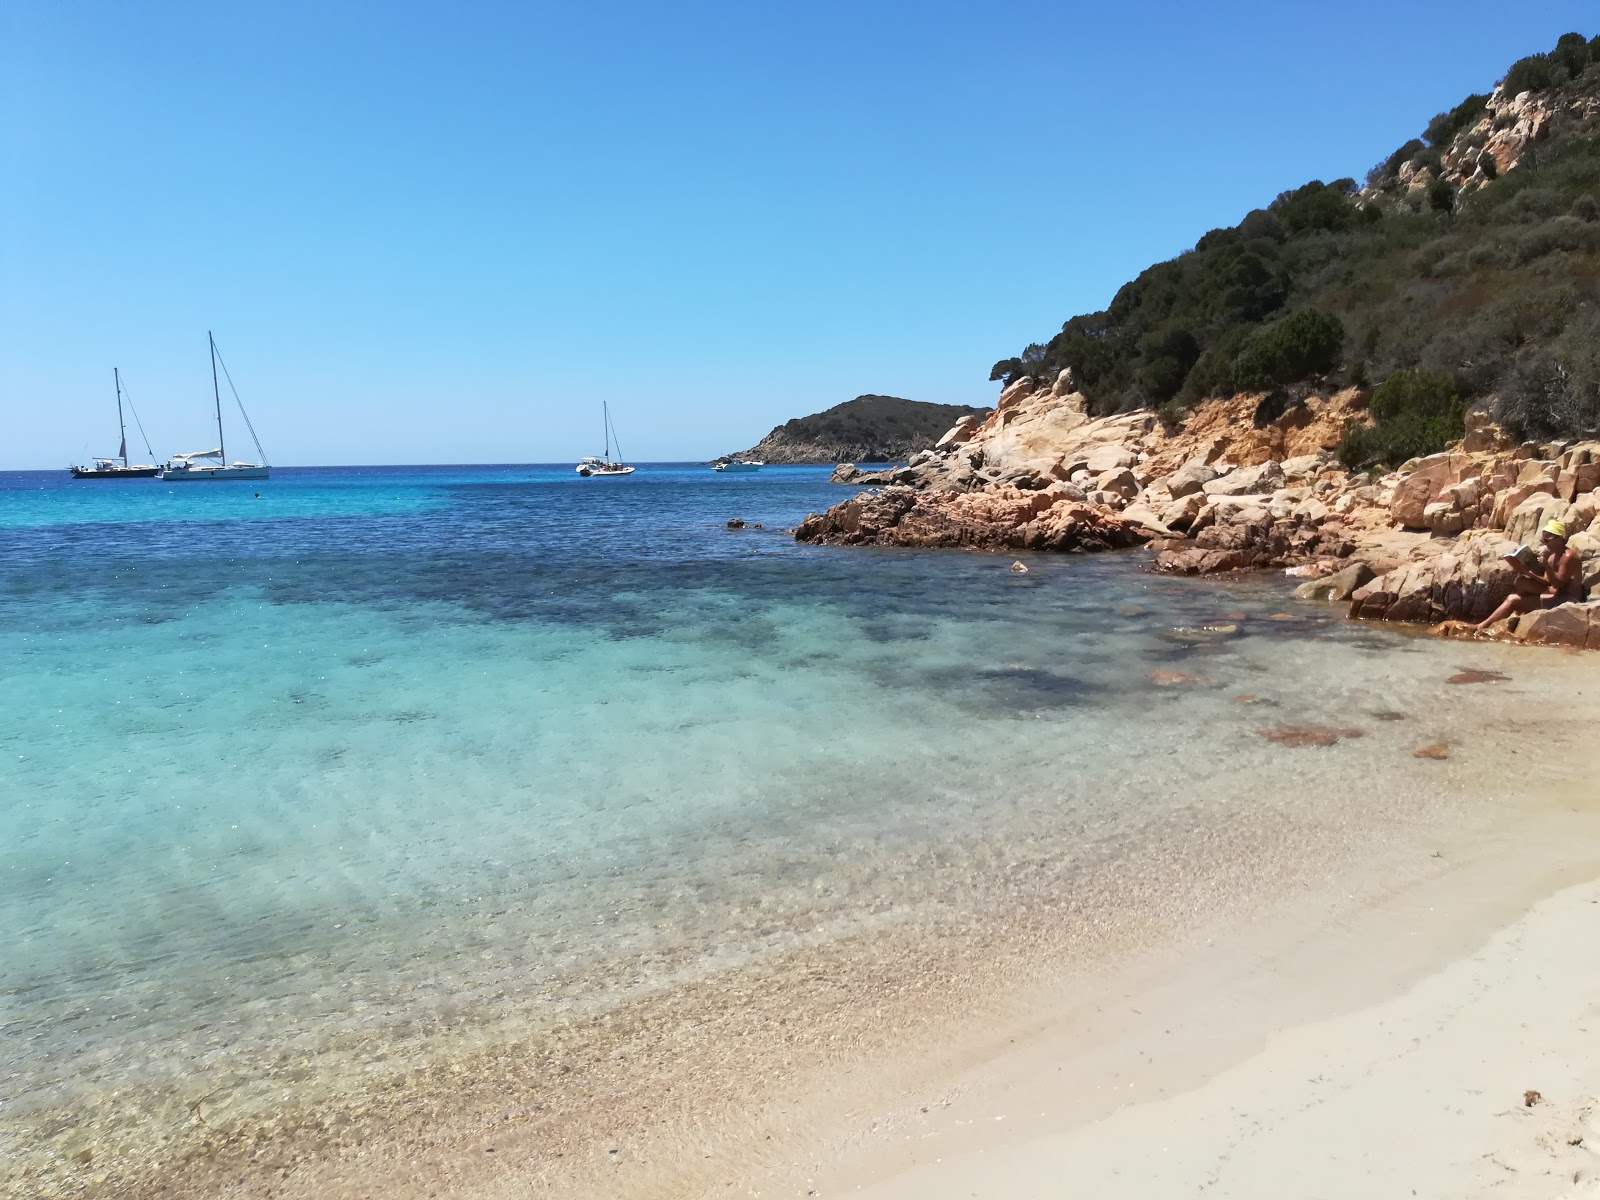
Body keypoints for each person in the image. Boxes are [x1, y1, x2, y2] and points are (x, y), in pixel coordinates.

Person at [1476, 519, 1583, 630]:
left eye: (1547, 540)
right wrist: (1529, 573)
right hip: (1554, 593)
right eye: (1543, 541)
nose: (1545, 544)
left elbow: (1557, 584)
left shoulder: (1568, 557)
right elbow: (1547, 581)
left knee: (1512, 600)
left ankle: (1481, 627)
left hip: (1566, 598)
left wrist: (1546, 566)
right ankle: (1522, 609)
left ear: (1560, 539)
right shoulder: (1552, 556)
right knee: (1521, 582)